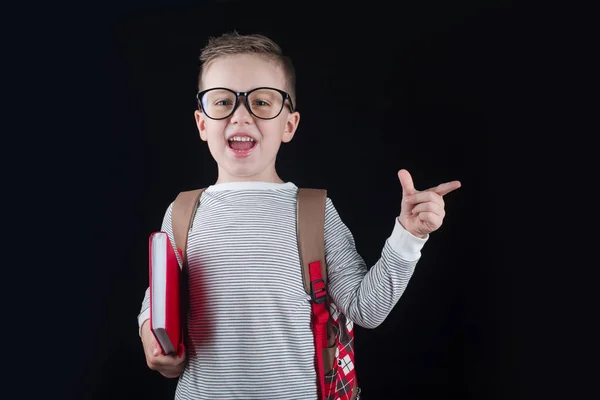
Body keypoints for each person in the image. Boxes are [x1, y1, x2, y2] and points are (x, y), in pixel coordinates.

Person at [137, 31, 461, 400]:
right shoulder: (181, 212)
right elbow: (159, 297)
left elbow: (365, 309)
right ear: (202, 123)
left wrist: (410, 234)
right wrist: (150, 331)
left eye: (261, 102)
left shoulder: (314, 211)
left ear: (288, 124)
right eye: (223, 101)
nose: (240, 116)